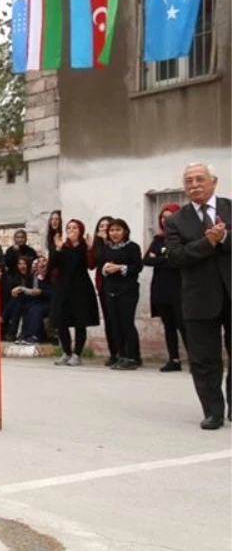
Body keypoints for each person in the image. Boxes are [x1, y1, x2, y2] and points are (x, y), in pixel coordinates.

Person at [165, 163, 232, 430]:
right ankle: (213, 411)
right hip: (199, 298)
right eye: (189, 181)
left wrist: (224, 236)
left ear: (213, 182)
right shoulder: (176, 221)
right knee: (205, 359)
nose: (194, 185)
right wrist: (209, 243)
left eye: (200, 179)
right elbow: (175, 256)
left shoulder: (229, 207)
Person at [48, 219, 100, 366]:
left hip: (81, 288)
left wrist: (91, 249)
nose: (71, 230)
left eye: (75, 228)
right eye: (69, 228)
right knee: (61, 321)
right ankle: (66, 352)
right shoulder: (62, 247)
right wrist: (58, 249)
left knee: (80, 322)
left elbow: (91, 266)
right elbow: (52, 265)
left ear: (80, 231)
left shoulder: (84, 247)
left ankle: (77, 354)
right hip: (62, 287)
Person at [144, 203, 186, 372]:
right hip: (161, 288)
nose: (165, 220)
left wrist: (160, 258)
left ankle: (196, 359)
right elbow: (146, 260)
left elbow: (180, 259)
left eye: (169, 216)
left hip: (179, 288)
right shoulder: (158, 239)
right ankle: (174, 359)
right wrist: (166, 259)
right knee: (168, 325)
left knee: (183, 325)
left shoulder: (184, 238)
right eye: (163, 217)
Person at [98, 218, 142, 370]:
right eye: (112, 230)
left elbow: (137, 267)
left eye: (118, 230)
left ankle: (133, 357)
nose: (115, 233)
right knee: (115, 324)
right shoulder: (107, 248)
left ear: (125, 231)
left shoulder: (132, 247)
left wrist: (120, 268)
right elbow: (101, 266)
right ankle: (121, 355)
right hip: (111, 289)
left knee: (126, 323)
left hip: (128, 290)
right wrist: (106, 268)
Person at [89, 215, 118, 366]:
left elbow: (109, 258)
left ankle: (125, 352)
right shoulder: (97, 246)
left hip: (118, 286)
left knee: (119, 320)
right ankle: (113, 353)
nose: (104, 229)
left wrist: (107, 242)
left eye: (107, 226)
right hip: (102, 285)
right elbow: (92, 264)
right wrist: (90, 248)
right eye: (101, 226)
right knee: (108, 320)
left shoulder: (116, 245)